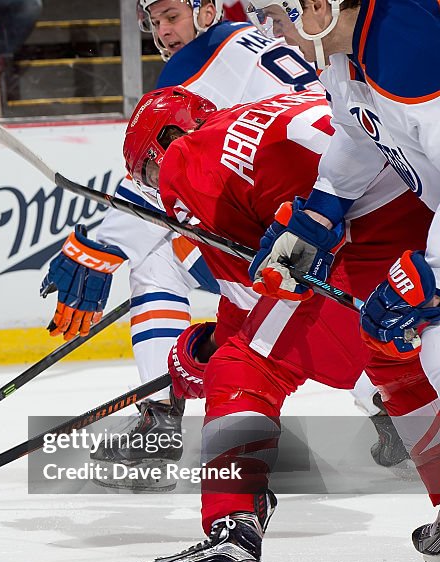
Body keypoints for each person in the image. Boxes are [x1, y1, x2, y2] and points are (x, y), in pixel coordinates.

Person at [113, 86, 440, 562]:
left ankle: (230, 539)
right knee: (400, 363)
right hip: (424, 216)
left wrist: (202, 357)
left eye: (147, 173)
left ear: (166, 141)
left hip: (363, 235)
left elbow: (260, 296)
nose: (158, 190)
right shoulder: (269, 108)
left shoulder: (183, 158)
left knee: (244, 367)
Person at [47, 0, 406, 476]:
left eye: (171, 16)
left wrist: (97, 246)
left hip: (313, 210)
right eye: (154, 22)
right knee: (309, 308)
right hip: (354, 192)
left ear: (207, 10)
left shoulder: (197, 62)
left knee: (167, 270)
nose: (164, 32)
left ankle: (162, 419)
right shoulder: (251, 40)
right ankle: (389, 402)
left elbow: (174, 167)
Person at [242, 0, 440, 562]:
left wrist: (433, 272)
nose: (273, 29)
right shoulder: (347, 48)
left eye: (282, 11)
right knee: (428, 351)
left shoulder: (407, 40)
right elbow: (360, 134)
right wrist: (324, 207)